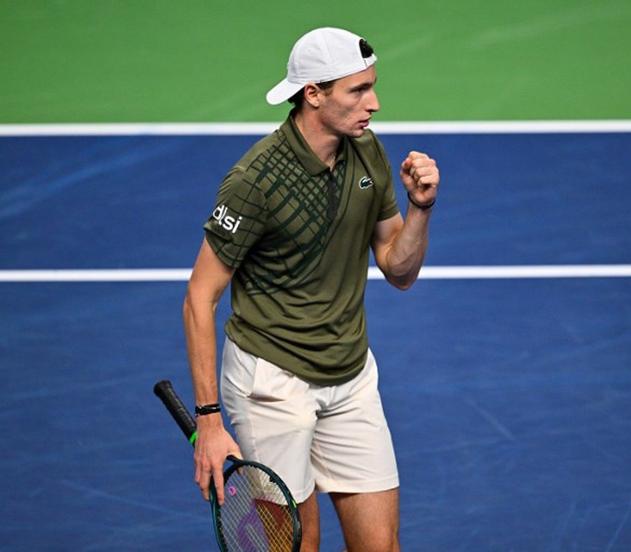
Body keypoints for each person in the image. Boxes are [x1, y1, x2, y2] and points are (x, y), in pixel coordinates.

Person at [182, 27, 439, 552]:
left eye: (372, 86)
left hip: (349, 375)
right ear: (313, 94)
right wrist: (209, 421)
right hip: (273, 384)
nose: (375, 103)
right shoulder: (255, 180)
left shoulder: (367, 152)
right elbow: (199, 297)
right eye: (358, 91)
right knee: (300, 544)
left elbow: (399, 269)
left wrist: (420, 209)